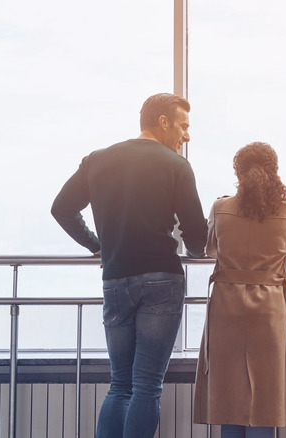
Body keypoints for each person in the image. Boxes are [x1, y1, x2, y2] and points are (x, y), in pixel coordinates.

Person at [51, 93, 207, 438]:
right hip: (161, 281)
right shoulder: (176, 165)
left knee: (119, 384)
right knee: (147, 385)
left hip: (115, 278)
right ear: (163, 122)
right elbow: (197, 234)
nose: (186, 135)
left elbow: (61, 208)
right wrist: (197, 251)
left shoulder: (97, 160)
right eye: (183, 126)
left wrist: (98, 246)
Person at [193, 141, 286, 438]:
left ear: (238, 173)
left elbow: (209, 249)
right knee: (266, 398)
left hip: (226, 307)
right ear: (274, 172)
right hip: (269, 309)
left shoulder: (220, 207)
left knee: (228, 395)